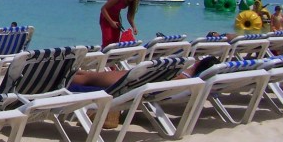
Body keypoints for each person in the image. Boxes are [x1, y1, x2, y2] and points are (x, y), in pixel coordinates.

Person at [70, 55, 220, 90]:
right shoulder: (190, 80)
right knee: (87, 75)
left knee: (86, 78)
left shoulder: (181, 76)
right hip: (133, 79)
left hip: (128, 82)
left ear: (199, 63)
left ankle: (59, 75)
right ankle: (69, 71)